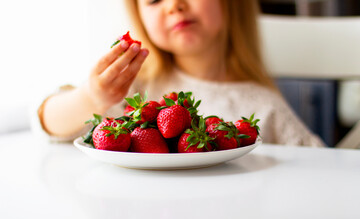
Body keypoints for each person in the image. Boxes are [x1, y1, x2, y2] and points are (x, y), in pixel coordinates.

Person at [34, 0, 324, 147]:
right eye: (153, 0)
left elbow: (321, 170)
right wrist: (90, 97)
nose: (174, 5)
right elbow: (45, 123)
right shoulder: (132, 93)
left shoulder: (264, 107)